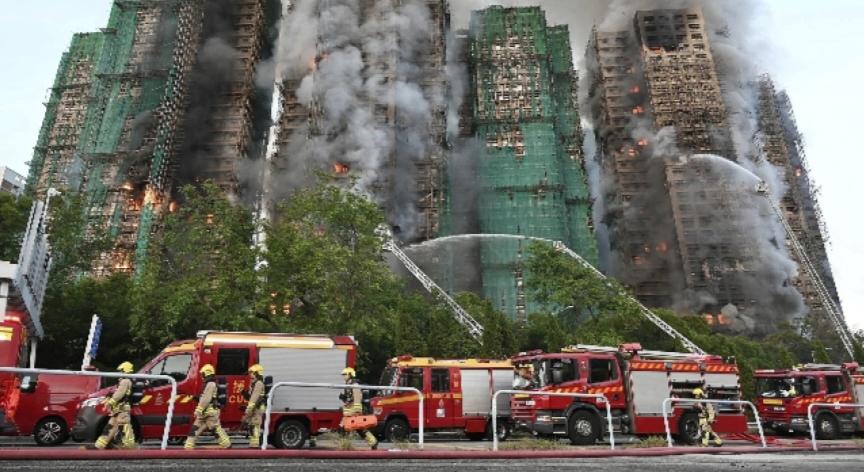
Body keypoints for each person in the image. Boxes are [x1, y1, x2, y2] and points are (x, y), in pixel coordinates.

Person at [184, 364, 231, 449]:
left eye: (202, 374)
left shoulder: (210, 384)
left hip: (209, 411)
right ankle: (189, 445)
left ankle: (226, 444)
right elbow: (204, 398)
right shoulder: (209, 384)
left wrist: (198, 409)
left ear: (206, 373)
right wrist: (194, 398)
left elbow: (206, 399)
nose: (202, 376)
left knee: (214, 429)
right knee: (196, 429)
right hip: (206, 412)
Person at [93, 362, 136, 449]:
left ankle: (128, 445)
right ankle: (100, 444)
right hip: (117, 409)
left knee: (124, 425)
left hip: (122, 408)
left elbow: (119, 394)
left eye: (120, 371)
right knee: (110, 427)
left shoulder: (125, 381)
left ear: (124, 370)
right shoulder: (123, 381)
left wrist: (110, 402)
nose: (118, 373)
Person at [340, 367, 378, 450]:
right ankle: (373, 442)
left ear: (350, 375)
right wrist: (344, 398)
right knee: (357, 428)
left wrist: (356, 410)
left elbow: (357, 398)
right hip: (351, 409)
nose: (343, 376)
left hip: (353, 409)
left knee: (347, 427)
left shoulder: (354, 385)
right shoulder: (349, 385)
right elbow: (350, 399)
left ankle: (344, 445)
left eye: (345, 374)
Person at [242, 364, 266, 448]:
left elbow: (254, 397)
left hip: (258, 407)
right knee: (252, 425)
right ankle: (253, 443)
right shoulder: (254, 383)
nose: (250, 374)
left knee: (255, 425)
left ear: (257, 373)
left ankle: (255, 445)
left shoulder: (258, 383)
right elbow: (251, 396)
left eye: (252, 372)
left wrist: (248, 409)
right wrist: (245, 394)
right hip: (255, 407)